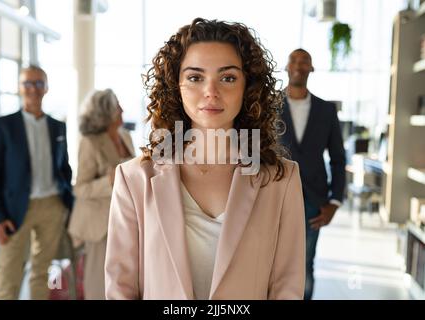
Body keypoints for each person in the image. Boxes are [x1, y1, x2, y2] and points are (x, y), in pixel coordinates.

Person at [105, 18, 305, 300]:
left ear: (248, 87)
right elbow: (121, 287)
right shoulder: (135, 179)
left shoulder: (281, 180)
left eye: (227, 77)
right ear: (176, 85)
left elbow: (287, 286)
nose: (211, 91)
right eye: (195, 77)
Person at [0, 65, 74, 300]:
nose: (33, 89)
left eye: (38, 83)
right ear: (19, 88)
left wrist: (68, 203)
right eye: (27, 83)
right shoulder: (2, 126)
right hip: (15, 211)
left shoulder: (58, 126)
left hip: (52, 206)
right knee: (9, 274)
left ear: (46, 88)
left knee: (42, 272)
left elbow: (64, 167)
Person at [281, 49, 346, 300]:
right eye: (294, 60)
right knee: (271, 262)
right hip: (273, 197)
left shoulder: (326, 110)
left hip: (312, 202)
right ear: (287, 67)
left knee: (304, 265)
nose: (298, 65)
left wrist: (334, 201)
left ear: (312, 68)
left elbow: (338, 158)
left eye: (304, 60)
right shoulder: (268, 105)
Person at [67, 89, 135, 300]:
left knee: (123, 277)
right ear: (106, 113)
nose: (122, 109)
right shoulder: (90, 142)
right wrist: (109, 180)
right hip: (99, 225)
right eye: (117, 106)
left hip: (125, 218)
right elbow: (80, 188)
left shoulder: (125, 136)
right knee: (98, 281)